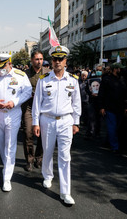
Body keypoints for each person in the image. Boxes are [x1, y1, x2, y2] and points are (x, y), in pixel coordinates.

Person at [32, 45, 81, 205]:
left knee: (65, 156)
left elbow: (76, 103)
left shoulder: (72, 80)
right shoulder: (43, 80)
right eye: (55, 59)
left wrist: (76, 122)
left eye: (61, 59)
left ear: (66, 61)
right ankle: (47, 176)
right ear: (51, 61)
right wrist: (35, 122)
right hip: (47, 120)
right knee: (47, 150)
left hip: (66, 121)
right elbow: (37, 103)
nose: (58, 61)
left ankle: (65, 192)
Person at [0, 54, 32, 192]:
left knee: (10, 144)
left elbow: (27, 92)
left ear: (9, 63)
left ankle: (6, 177)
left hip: (13, 114)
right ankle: (6, 166)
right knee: (1, 143)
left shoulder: (20, 75)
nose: (0, 70)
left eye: (2, 66)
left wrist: (14, 102)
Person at [21, 50, 50, 172]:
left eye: (41, 59)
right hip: (29, 106)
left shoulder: (49, 73)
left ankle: (39, 158)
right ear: (32, 60)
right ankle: (29, 160)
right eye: (37, 59)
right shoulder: (24, 74)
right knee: (28, 133)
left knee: (43, 135)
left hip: (43, 107)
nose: (39, 61)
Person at [98, 62, 127, 153]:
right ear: (115, 69)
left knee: (118, 128)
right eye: (119, 69)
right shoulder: (106, 80)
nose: (121, 70)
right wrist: (102, 107)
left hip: (121, 108)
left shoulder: (123, 80)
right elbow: (101, 94)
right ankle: (114, 146)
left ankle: (113, 143)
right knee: (112, 128)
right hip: (109, 107)